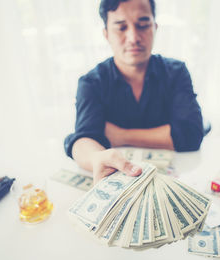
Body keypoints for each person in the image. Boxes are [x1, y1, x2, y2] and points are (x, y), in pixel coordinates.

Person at [64, 0, 204, 184]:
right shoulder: (91, 82)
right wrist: (96, 158)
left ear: (155, 27)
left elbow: (190, 134)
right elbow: (84, 138)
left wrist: (120, 135)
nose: (133, 37)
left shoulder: (176, 72)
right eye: (121, 28)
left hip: (174, 178)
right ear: (106, 34)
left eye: (143, 25)